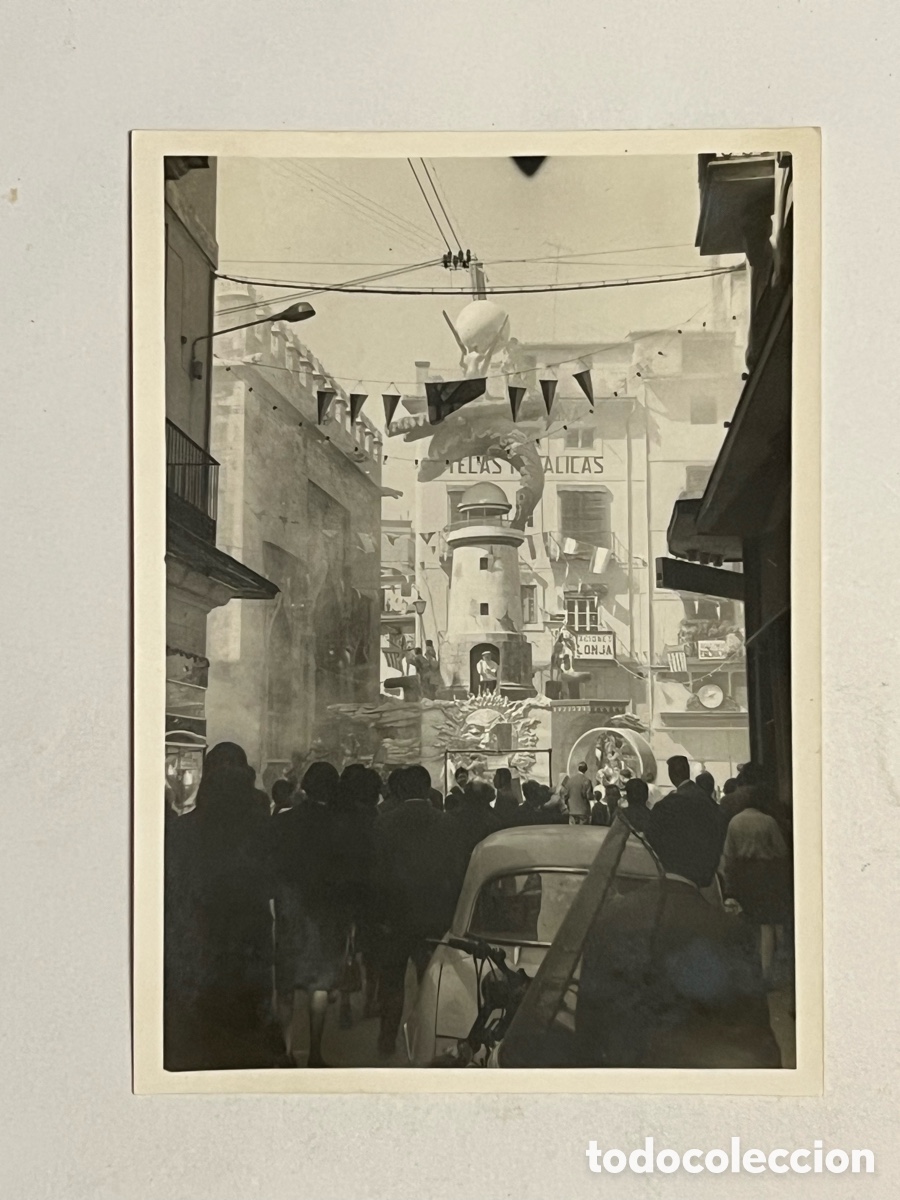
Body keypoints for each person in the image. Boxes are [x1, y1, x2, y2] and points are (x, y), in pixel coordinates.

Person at [575, 792, 781, 1069]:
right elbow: (756, 1046)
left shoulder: (611, 918)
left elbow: (589, 1026)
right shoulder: (728, 932)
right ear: (708, 849)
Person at [165, 763, 281, 1071]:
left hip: (200, 936)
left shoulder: (182, 828)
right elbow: (273, 882)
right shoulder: (262, 828)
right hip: (248, 938)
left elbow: (172, 886)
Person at [372, 765, 458, 1059]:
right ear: (426, 788)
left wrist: (380, 915)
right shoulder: (446, 823)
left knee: (393, 980)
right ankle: (426, 1037)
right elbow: (454, 872)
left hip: (394, 917)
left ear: (401, 790)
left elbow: (377, 876)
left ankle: (387, 1037)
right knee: (429, 980)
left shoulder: (384, 823)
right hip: (433, 916)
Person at [272, 762, 354, 1067]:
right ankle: (316, 1053)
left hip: (290, 909)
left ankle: (286, 1051)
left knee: (285, 985)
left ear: (304, 786)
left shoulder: (283, 822)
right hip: (326, 914)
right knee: (319, 985)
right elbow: (349, 875)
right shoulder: (341, 825)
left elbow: (272, 867)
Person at [720, 785, 792, 985]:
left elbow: (729, 854)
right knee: (766, 922)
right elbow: (781, 851)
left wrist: (729, 881)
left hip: (743, 874)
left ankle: (749, 970)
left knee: (748, 920)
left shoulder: (735, 822)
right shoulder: (768, 821)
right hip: (766, 875)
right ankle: (766, 972)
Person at [568, 761, 594, 826]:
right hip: (583, 811)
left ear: (578, 768)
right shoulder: (587, 781)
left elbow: (565, 794)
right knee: (583, 833)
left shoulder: (570, 780)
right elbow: (588, 796)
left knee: (572, 832)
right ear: (586, 769)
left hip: (572, 810)